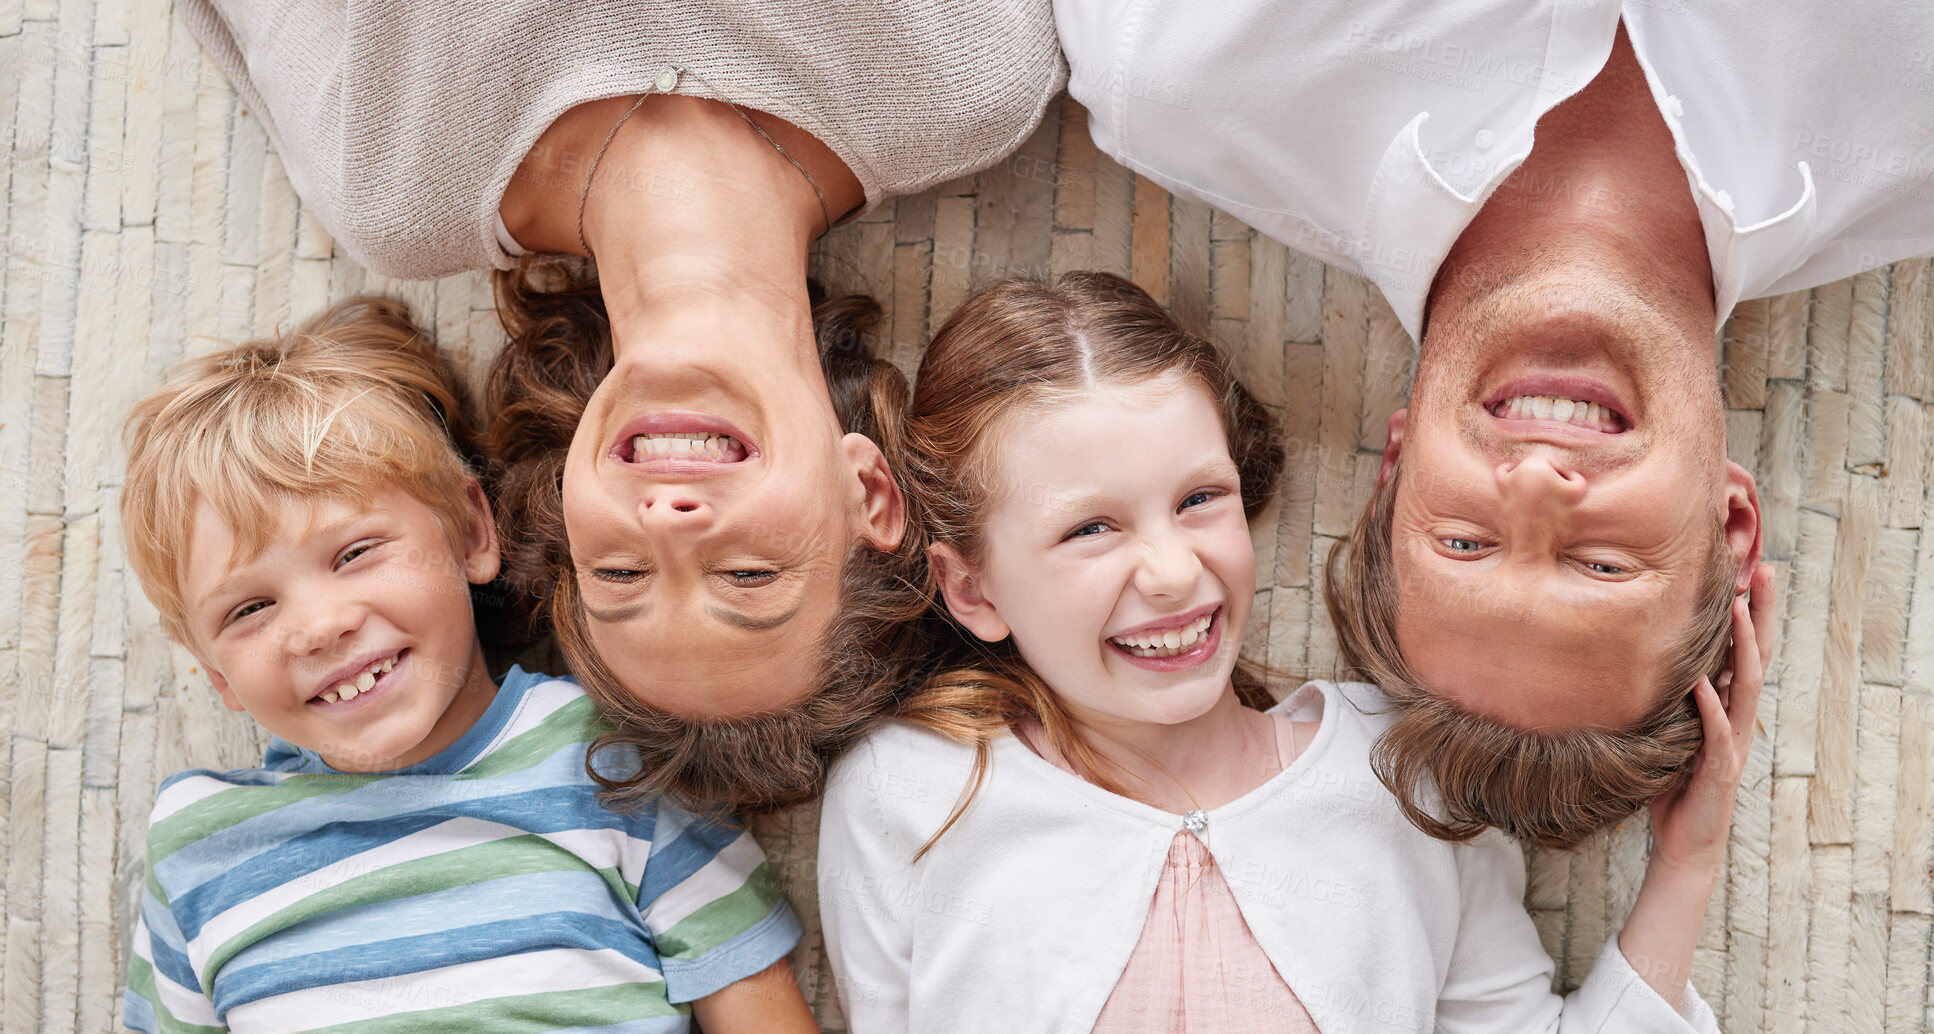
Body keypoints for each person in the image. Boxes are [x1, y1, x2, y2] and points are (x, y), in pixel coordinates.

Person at [1055, 3, 1931, 845]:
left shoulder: (1182, 69)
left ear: (1395, 475)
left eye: (1467, 543)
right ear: (1731, 531)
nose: (1539, 485)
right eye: (1602, 562)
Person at [816, 273, 1767, 1032]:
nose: (1169, 572)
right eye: (1091, 530)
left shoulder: (1403, 774)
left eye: (1199, 500)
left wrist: (1688, 860)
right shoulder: (913, 794)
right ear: (974, 589)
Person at [176, 0, 1065, 809]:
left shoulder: (396, 186)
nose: (670, 525)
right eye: (748, 577)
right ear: (868, 493)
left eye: (621, 575)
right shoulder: (962, 80)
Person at [116, 300, 815, 1033]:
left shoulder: (614, 757)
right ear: (214, 671)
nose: (318, 628)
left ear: (473, 531)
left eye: (355, 554)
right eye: (248, 610)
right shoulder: (198, 846)